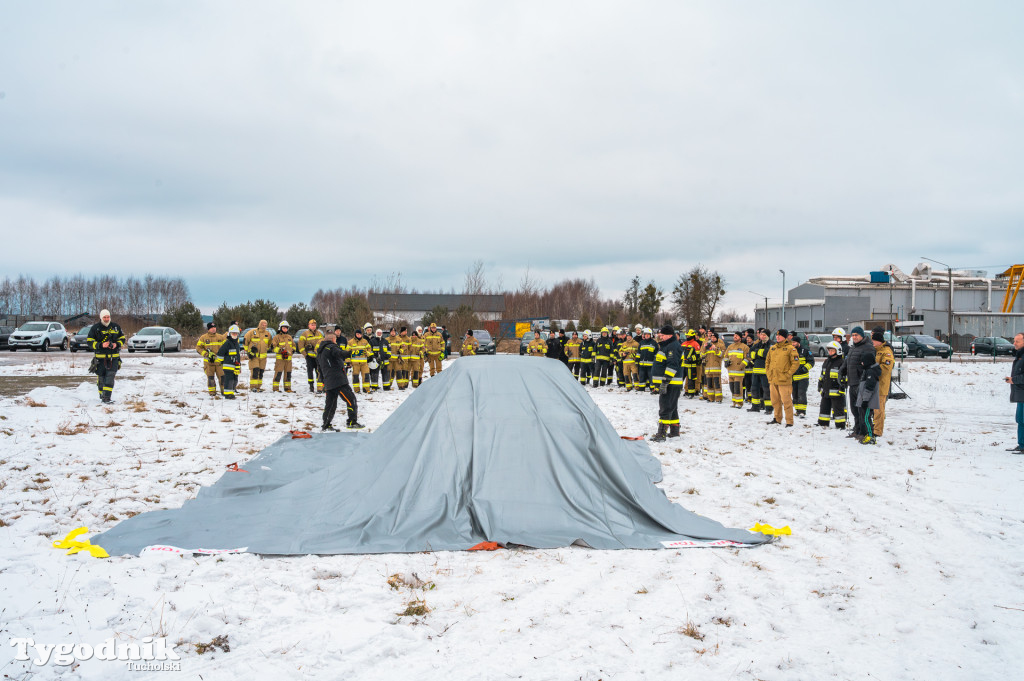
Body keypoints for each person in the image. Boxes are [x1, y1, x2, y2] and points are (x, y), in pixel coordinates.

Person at [317, 329, 362, 430]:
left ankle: (326, 424)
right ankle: (352, 422)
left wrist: (323, 381)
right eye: (335, 339)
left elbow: (319, 368)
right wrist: (352, 352)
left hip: (329, 381)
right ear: (333, 339)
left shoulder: (320, 351)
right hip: (338, 381)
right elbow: (340, 354)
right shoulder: (332, 347)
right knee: (351, 400)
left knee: (331, 405)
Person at [843, 326, 879, 442]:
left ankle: (865, 431)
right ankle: (857, 429)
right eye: (852, 335)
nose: (854, 337)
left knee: (862, 410)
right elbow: (847, 362)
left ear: (862, 335)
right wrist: (841, 372)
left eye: (856, 335)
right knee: (854, 409)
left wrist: (863, 379)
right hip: (852, 382)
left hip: (861, 382)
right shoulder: (853, 347)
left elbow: (869, 364)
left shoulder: (868, 347)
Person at [650, 325, 684, 441]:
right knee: (672, 407)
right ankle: (674, 431)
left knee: (665, 407)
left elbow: (672, 365)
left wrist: (665, 381)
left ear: (669, 335)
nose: (661, 337)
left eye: (662, 335)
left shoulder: (673, 347)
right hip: (669, 383)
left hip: (671, 383)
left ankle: (661, 434)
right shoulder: (667, 346)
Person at [87, 309, 125, 403]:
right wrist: (101, 345)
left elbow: (122, 338)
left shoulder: (116, 327)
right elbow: (89, 341)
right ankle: (102, 394)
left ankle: (107, 398)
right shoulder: (95, 328)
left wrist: (117, 344)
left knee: (110, 377)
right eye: (105, 317)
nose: (107, 319)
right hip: (100, 359)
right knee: (101, 378)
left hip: (113, 358)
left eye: (108, 317)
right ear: (101, 317)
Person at [765, 329, 800, 427]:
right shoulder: (773, 348)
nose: (777, 337)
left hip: (784, 380)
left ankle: (789, 421)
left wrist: (788, 374)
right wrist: (768, 373)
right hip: (773, 379)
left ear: (785, 337)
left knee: (786, 401)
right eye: (777, 336)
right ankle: (777, 418)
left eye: (780, 336)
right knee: (775, 401)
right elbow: (767, 362)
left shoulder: (790, 348)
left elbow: (796, 363)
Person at [817, 341, 848, 429]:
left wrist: (843, 386)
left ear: (837, 351)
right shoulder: (827, 362)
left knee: (838, 410)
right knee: (824, 408)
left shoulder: (842, 362)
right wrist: (820, 384)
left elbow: (845, 377)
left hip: (837, 392)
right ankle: (823, 423)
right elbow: (822, 375)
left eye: (832, 351)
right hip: (826, 391)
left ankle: (840, 425)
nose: (830, 352)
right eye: (829, 350)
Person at [871, 327, 895, 437]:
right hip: (872, 384)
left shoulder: (886, 352)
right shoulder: (875, 351)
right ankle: (872, 428)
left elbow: (886, 368)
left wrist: (871, 369)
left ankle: (877, 431)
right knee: (873, 409)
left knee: (879, 410)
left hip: (881, 385)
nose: (872, 342)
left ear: (878, 341)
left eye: (873, 340)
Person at [1005, 332, 1024, 453]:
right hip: (1020, 394)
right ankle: (1021, 444)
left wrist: (1014, 380)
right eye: (1014, 341)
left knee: (1022, 419)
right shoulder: (1019, 355)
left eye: (1017, 341)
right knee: (1020, 419)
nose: (1014, 343)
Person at [196, 321, 226, 396]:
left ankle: (224, 392)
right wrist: (206, 354)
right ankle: (212, 393)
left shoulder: (221, 337)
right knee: (211, 378)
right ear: (208, 329)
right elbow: (198, 348)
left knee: (223, 378)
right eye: (212, 328)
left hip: (219, 363)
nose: (213, 329)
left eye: (214, 327)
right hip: (209, 363)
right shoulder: (203, 338)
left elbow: (226, 347)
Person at [297, 319, 325, 393]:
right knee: (310, 371)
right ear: (309, 325)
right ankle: (311, 386)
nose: (313, 326)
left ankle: (320, 386)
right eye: (312, 325)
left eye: (314, 325)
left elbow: (323, 343)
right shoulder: (304, 334)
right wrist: (305, 355)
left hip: (318, 357)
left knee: (319, 371)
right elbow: (300, 346)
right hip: (309, 356)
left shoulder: (319, 333)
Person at [243, 320, 272, 392]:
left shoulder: (268, 334)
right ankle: (253, 387)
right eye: (262, 324)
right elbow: (245, 341)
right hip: (254, 356)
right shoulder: (252, 332)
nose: (264, 326)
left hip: (263, 357)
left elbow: (269, 344)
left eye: (265, 324)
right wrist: (248, 351)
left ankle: (258, 387)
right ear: (259, 324)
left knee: (261, 372)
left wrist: (265, 349)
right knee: (255, 371)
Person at [216, 325, 243, 399]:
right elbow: (219, 354)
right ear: (229, 334)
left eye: (236, 333)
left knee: (234, 380)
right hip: (228, 365)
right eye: (233, 333)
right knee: (229, 380)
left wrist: (239, 365)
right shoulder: (227, 343)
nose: (234, 335)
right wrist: (222, 362)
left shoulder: (236, 344)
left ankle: (231, 392)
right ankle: (228, 394)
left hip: (235, 366)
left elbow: (238, 356)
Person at [791, 335, 815, 418]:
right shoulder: (791, 350)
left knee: (801, 394)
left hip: (803, 377)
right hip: (793, 378)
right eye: (792, 342)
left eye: (794, 342)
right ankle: (797, 410)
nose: (793, 344)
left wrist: (805, 368)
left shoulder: (805, 350)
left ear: (798, 343)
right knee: (795, 395)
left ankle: (802, 411)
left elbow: (811, 362)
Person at [748, 329, 771, 412]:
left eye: (764, 335)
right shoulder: (757, 344)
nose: (763, 336)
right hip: (756, 371)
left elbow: (767, 354)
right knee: (754, 389)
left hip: (766, 372)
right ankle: (755, 407)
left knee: (766, 390)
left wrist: (757, 353)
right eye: (761, 335)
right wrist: (759, 354)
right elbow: (750, 353)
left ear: (768, 336)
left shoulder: (771, 344)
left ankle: (768, 408)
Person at [725, 331, 749, 408]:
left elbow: (747, 358)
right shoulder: (730, 346)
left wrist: (741, 366)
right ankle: (734, 402)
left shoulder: (744, 347)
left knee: (738, 387)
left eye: (737, 336)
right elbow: (726, 356)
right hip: (731, 371)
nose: (735, 337)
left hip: (739, 371)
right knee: (732, 387)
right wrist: (726, 362)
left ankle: (739, 403)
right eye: (734, 335)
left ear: (740, 338)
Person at [271, 321, 296, 392]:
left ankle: (287, 388)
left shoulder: (289, 337)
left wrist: (293, 351)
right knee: (278, 373)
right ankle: (275, 389)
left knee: (288, 374)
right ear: (280, 328)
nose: (285, 329)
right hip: (280, 360)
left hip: (288, 360)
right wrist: (281, 351)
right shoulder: (276, 337)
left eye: (286, 328)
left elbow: (294, 346)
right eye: (284, 328)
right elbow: (273, 348)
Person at [347, 327, 373, 393]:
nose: (359, 335)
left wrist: (367, 353)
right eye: (357, 334)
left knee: (366, 376)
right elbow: (347, 353)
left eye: (360, 334)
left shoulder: (365, 341)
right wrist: (348, 362)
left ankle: (366, 389)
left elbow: (369, 349)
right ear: (355, 334)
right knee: (355, 377)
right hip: (355, 364)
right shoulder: (350, 342)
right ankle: (357, 390)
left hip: (364, 363)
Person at [703, 331, 725, 402]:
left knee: (717, 384)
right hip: (708, 368)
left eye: (714, 337)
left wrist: (715, 348)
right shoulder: (707, 344)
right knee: (709, 385)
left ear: (717, 338)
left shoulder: (720, 345)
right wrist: (704, 348)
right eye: (711, 337)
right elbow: (702, 355)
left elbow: (721, 355)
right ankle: (710, 398)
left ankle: (718, 399)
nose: (712, 338)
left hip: (716, 369)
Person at [636, 328, 657, 393]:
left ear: (651, 335)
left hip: (651, 365)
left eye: (648, 334)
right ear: (644, 335)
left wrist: (656, 363)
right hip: (642, 365)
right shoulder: (641, 343)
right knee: (641, 377)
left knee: (651, 378)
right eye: (646, 334)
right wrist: (637, 361)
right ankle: (641, 389)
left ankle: (652, 389)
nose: (647, 336)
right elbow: (638, 353)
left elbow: (656, 354)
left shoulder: (654, 343)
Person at [681, 330, 701, 398]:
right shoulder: (683, 343)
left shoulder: (695, 344)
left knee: (691, 380)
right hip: (683, 365)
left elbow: (698, 355)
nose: (687, 337)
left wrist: (691, 359)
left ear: (692, 336)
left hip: (691, 365)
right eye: (686, 335)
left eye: (688, 336)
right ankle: (684, 391)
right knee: (681, 379)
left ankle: (691, 393)